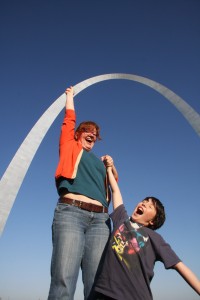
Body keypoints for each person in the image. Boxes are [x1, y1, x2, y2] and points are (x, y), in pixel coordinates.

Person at [47, 86, 118, 300]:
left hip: (100, 220)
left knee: (98, 285)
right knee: (64, 280)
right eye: (88, 131)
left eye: (95, 135)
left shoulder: (99, 162)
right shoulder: (69, 146)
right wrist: (69, 97)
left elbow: (113, 188)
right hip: (71, 213)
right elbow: (68, 119)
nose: (93, 135)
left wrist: (111, 167)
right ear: (78, 133)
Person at [94, 165, 200, 300]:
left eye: (150, 206)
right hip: (102, 293)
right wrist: (109, 169)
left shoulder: (155, 238)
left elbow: (180, 266)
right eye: (144, 201)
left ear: (152, 221)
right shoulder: (122, 220)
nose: (144, 204)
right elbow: (115, 191)